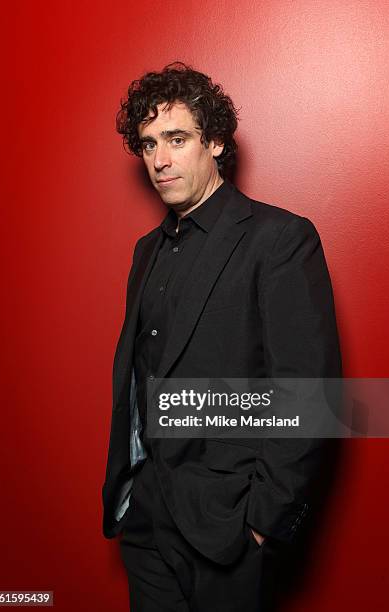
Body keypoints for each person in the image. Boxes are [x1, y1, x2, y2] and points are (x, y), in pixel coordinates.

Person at [102, 62, 342, 611]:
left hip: (227, 529)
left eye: (176, 139)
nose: (159, 160)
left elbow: (312, 394)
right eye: (147, 144)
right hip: (145, 521)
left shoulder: (280, 239)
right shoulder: (147, 251)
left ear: (214, 141)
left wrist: (262, 525)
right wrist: (132, 491)